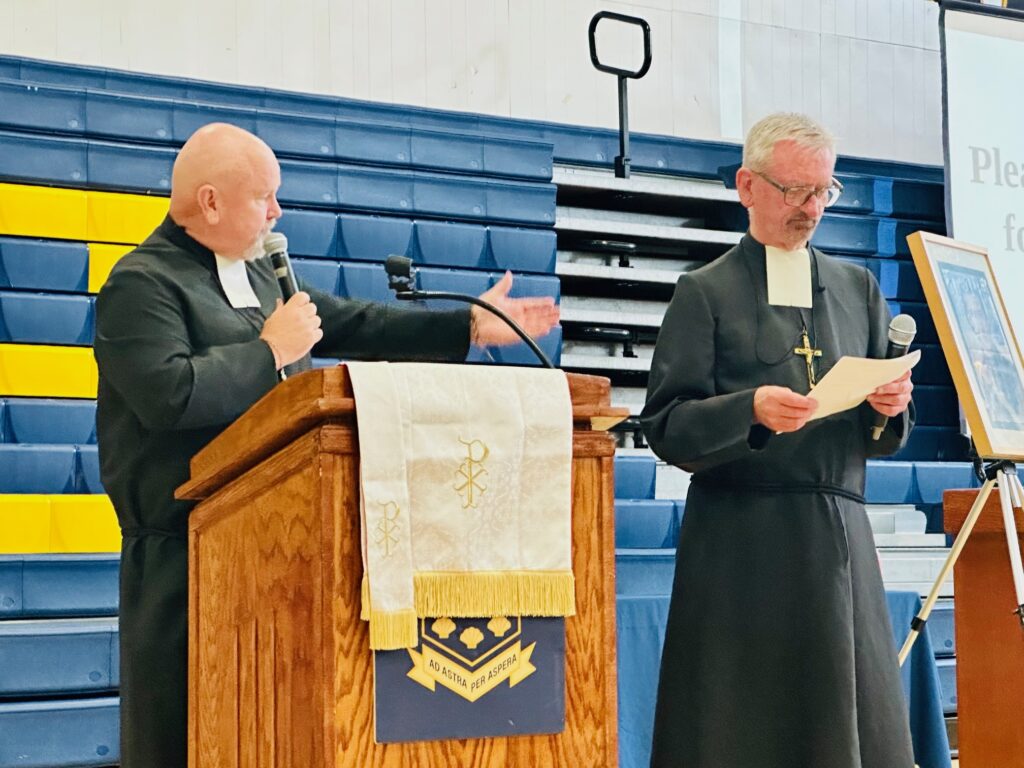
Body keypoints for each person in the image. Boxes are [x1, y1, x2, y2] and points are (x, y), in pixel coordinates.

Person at [92, 122, 559, 767]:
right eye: (265, 197)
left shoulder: (259, 278)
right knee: (185, 735)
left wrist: (468, 325)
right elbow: (168, 396)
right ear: (209, 202)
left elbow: (357, 322)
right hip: (183, 557)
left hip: (274, 545)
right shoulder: (140, 285)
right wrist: (269, 352)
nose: (277, 213)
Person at [641, 113, 916, 768]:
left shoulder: (859, 289)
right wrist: (751, 412)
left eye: (824, 191)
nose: (812, 208)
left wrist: (888, 405)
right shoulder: (703, 293)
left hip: (837, 542)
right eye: (795, 191)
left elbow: (882, 436)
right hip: (743, 549)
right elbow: (667, 426)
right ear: (747, 186)